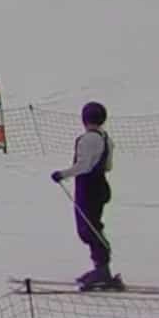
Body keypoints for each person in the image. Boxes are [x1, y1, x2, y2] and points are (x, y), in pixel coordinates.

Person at [51, 101, 118, 290]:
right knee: (93, 225)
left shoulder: (86, 139)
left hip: (87, 188)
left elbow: (83, 166)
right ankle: (101, 267)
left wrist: (62, 174)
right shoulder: (106, 139)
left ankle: (102, 269)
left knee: (87, 228)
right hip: (101, 186)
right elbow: (108, 166)